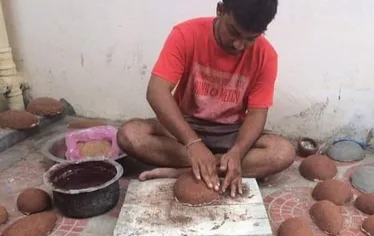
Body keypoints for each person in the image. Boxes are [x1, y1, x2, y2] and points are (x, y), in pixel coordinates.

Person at [118, 0, 295, 197]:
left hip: (231, 133)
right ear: (220, 10)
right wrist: (193, 143)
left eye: (250, 38)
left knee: (282, 152)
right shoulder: (186, 34)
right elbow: (156, 91)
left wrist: (238, 152)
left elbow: (256, 114)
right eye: (234, 32)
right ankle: (215, 167)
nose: (239, 45)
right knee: (130, 134)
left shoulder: (266, 55)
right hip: (185, 128)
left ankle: (184, 171)